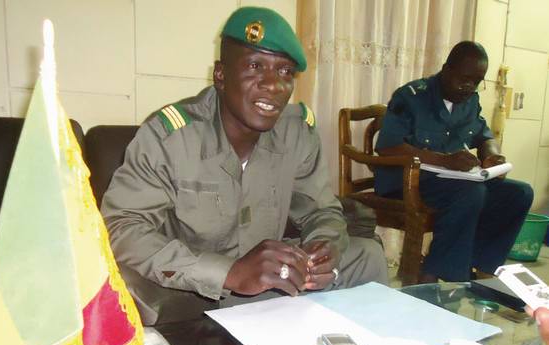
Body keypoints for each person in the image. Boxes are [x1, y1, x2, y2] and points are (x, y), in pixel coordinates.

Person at [101, 7, 388, 322]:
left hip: (268, 280)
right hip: (193, 286)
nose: (273, 85)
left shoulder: (297, 132)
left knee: (367, 256)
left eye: (285, 72)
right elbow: (122, 228)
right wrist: (229, 273)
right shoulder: (169, 137)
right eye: (255, 66)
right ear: (221, 75)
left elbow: (322, 211)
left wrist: (324, 247)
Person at [375, 41, 533, 283]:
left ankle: (483, 266)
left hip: (452, 181)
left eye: (476, 81)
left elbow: (484, 136)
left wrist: (491, 156)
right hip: (406, 181)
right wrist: (444, 160)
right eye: (464, 79)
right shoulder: (411, 97)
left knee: (519, 193)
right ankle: (434, 275)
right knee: (471, 193)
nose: (469, 86)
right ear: (446, 69)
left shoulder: (470, 101)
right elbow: (388, 146)